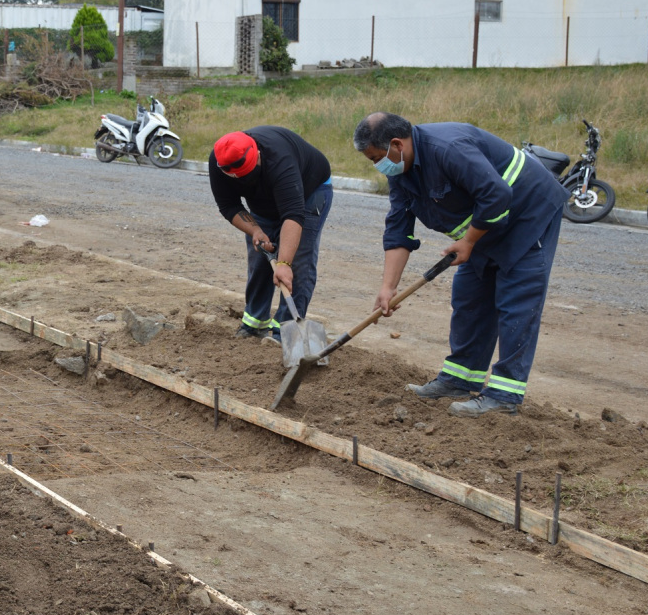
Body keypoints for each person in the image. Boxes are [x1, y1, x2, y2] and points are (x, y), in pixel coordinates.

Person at [353, 112, 568, 418]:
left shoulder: (448, 148)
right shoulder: (401, 172)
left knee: (515, 301)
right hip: (483, 229)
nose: (377, 165)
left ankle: (504, 395)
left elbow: (496, 194)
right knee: (469, 297)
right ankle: (459, 379)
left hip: (525, 214)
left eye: (377, 157)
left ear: (397, 144)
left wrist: (468, 241)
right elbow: (399, 230)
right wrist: (387, 288)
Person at [208, 127, 334, 341]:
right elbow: (228, 205)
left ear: (257, 155)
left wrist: (284, 264)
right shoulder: (219, 161)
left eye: (248, 175)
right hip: (263, 202)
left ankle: (285, 332)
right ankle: (254, 325)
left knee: (298, 263)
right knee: (260, 257)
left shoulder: (279, 159)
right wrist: (255, 230)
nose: (243, 181)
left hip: (309, 192)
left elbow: (293, 214)